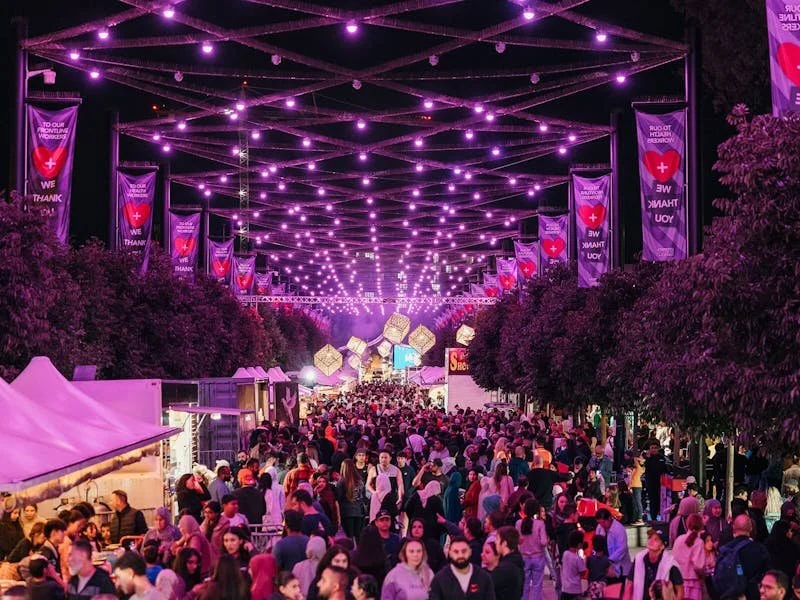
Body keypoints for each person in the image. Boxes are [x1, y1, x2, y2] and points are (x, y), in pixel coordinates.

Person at [715, 514, 771, 600]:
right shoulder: (760, 549)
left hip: (728, 595)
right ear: (751, 528)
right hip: (752, 594)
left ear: (733, 528)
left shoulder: (725, 549)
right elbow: (767, 573)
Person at [429, 536, 496, 600]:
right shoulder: (439, 579)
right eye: (456, 552)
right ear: (449, 553)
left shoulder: (484, 577)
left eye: (464, 551)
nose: (460, 555)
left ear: (470, 552)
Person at [623, 529, 683, 600]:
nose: (651, 541)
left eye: (656, 539)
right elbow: (629, 584)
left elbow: (680, 591)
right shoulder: (639, 558)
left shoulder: (671, 564)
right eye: (650, 537)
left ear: (662, 546)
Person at [517, 498, 548, 600]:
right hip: (538, 557)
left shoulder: (518, 523)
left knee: (524, 586)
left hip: (523, 557)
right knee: (537, 585)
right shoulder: (540, 524)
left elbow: (517, 540)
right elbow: (544, 542)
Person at [670, 514, 706, 600]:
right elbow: (698, 566)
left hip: (678, 582)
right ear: (701, 526)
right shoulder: (699, 542)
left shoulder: (678, 539)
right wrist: (703, 576)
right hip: (693, 583)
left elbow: (672, 560)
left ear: (687, 524)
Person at [595, 508, 632, 578]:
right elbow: (597, 543)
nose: (601, 524)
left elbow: (622, 549)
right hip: (606, 565)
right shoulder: (599, 527)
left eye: (603, 522)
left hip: (620, 566)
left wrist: (609, 560)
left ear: (609, 518)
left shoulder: (619, 529)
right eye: (599, 522)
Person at [337, 459, 366, 540]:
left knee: (349, 537)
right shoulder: (360, 480)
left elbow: (339, 497)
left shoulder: (341, 482)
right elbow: (363, 495)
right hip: (359, 511)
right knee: (358, 536)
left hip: (346, 512)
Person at [492, 526, 524, 600]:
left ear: (504, 543)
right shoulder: (517, 562)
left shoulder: (503, 569)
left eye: (497, 539)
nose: (495, 542)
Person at [586, 535, 615, 600]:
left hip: (592, 585)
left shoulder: (589, 559)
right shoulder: (606, 559)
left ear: (593, 546)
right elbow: (611, 574)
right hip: (602, 585)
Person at [561, 530, 587, 600]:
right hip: (575, 589)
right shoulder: (578, 559)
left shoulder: (565, 554)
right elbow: (583, 572)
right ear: (579, 544)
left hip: (565, 588)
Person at [644, 444, 668, 521]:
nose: (654, 449)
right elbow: (646, 469)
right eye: (652, 448)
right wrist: (647, 458)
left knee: (659, 499)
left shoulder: (661, 457)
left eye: (655, 448)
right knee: (652, 499)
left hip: (660, 482)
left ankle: (658, 513)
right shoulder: (648, 458)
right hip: (651, 482)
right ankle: (653, 515)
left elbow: (665, 468)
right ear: (649, 449)